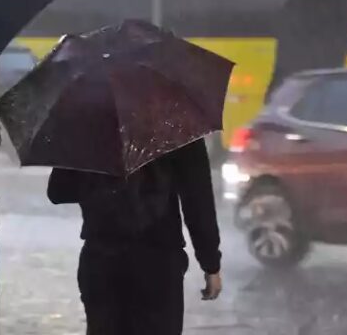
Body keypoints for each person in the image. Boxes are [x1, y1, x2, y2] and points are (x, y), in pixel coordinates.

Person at [47, 138, 223, 335]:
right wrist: (210, 263)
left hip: (102, 258)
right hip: (158, 261)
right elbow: (197, 197)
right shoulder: (178, 123)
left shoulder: (88, 122)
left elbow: (58, 191)